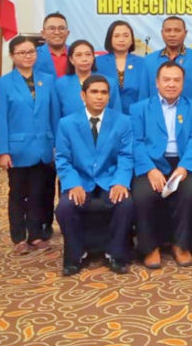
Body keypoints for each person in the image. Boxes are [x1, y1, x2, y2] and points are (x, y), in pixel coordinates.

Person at [54, 74, 135, 275]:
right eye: (94, 92)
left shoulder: (123, 121)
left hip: (110, 179)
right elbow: (63, 159)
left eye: (104, 93)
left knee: (125, 203)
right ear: (83, 95)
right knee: (65, 207)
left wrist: (120, 182)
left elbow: (126, 156)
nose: (99, 97)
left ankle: (115, 254)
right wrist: (73, 184)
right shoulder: (67, 123)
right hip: (80, 180)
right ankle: (75, 255)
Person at [131, 62, 192, 269]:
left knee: (190, 190)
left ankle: (180, 245)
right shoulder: (139, 108)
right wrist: (150, 170)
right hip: (152, 162)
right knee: (143, 194)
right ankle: (149, 247)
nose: (171, 84)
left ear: (183, 83)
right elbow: (136, 143)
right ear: (157, 82)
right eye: (166, 79)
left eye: (176, 80)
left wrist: (184, 167)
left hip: (182, 162)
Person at [0, 36, 61, 254]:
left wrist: (57, 144)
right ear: (12, 55)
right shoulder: (3, 83)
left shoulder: (47, 80)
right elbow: (1, 119)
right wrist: (2, 151)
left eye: (31, 52)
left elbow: (54, 115)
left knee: (39, 193)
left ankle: (36, 235)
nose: (27, 56)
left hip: (44, 147)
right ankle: (19, 238)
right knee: (18, 194)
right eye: (22, 52)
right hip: (17, 150)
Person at [144, 16, 192, 104]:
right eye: (168, 30)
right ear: (162, 33)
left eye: (177, 30)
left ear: (185, 33)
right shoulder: (149, 60)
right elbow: (143, 94)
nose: (172, 34)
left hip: (189, 111)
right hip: (156, 111)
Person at [57, 40, 123, 117]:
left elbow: (117, 115)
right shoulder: (61, 84)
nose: (84, 59)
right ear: (71, 60)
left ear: (93, 57)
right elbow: (56, 116)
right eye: (78, 55)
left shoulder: (109, 82)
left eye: (88, 54)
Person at [95, 20, 149, 114]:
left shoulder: (143, 63)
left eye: (126, 36)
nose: (121, 39)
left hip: (135, 115)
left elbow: (146, 94)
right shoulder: (97, 62)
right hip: (106, 115)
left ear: (132, 40)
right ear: (109, 39)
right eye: (116, 36)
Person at [35, 12, 70, 78]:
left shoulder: (76, 53)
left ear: (67, 33)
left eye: (62, 28)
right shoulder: (33, 55)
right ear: (43, 33)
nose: (57, 32)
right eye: (52, 28)